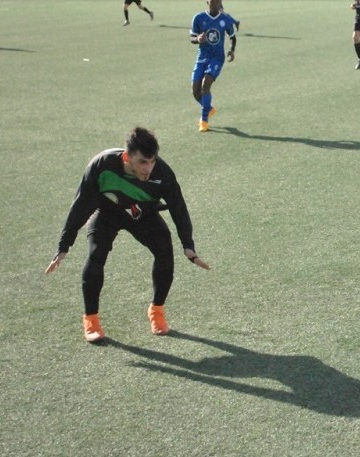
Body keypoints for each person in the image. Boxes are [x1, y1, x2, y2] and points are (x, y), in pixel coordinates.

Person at [45, 127, 211, 343]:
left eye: (152, 161)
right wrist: (64, 245)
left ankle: (156, 311)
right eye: (142, 162)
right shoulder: (101, 165)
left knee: (165, 249)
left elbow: (178, 207)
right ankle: (91, 320)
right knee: (96, 256)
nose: (148, 168)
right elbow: (81, 206)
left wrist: (188, 245)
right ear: (126, 156)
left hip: (142, 214)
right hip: (107, 213)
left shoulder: (162, 174)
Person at [190, 0, 237, 132]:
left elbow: (232, 37)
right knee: (195, 91)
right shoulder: (199, 18)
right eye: (213, 1)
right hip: (202, 58)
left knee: (206, 85)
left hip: (217, 58)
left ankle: (204, 121)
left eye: (218, 1)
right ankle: (209, 108)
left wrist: (232, 50)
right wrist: (198, 39)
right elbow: (192, 37)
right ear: (207, 2)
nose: (216, 3)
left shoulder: (225, 19)